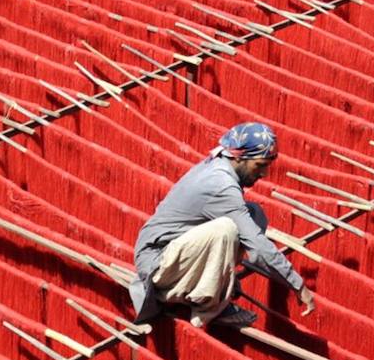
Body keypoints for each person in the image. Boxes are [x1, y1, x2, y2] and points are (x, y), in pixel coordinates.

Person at [130, 122, 316, 328]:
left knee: (254, 213)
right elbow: (258, 246)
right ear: (238, 157)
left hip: (173, 251)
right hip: (156, 263)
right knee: (226, 229)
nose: (264, 174)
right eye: (260, 165)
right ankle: (208, 307)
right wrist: (297, 285)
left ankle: (212, 286)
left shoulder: (219, 163)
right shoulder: (221, 185)